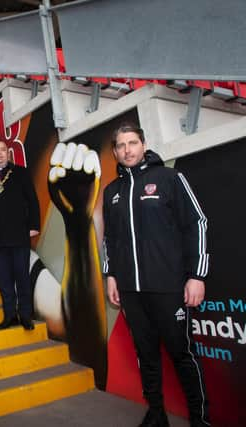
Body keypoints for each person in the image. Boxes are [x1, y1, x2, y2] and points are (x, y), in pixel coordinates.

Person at [103, 123, 209, 427]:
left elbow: (197, 223)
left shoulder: (169, 178)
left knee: (182, 355)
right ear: (115, 152)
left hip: (169, 287)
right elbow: (110, 239)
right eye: (121, 145)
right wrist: (111, 276)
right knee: (146, 355)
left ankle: (200, 419)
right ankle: (156, 413)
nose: (127, 150)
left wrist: (197, 275)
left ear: (143, 144)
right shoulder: (112, 192)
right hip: (131, 291)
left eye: (132, 143)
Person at [0, 141, 40, 330]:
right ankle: (9, 316)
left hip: (20, 235)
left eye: (2, 150)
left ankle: (26, 315)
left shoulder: (21, 173)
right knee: (4, 279)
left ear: (8, 153)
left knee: (22, 277)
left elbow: (33, 201)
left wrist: (34, 225)